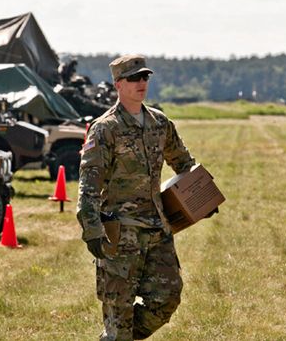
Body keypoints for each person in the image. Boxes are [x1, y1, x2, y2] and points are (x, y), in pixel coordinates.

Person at [77, 54, 197, 340]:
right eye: (134, 78)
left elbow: (183, 163)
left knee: (167, 299)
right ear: (118, 84)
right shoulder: (105, 129)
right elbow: (89, 183)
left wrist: (199, 198)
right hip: (120, 235)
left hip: (157, 230)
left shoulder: (160, 123)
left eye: (145, 77)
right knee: (119, 311)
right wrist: (92, 229)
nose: (141, 83)